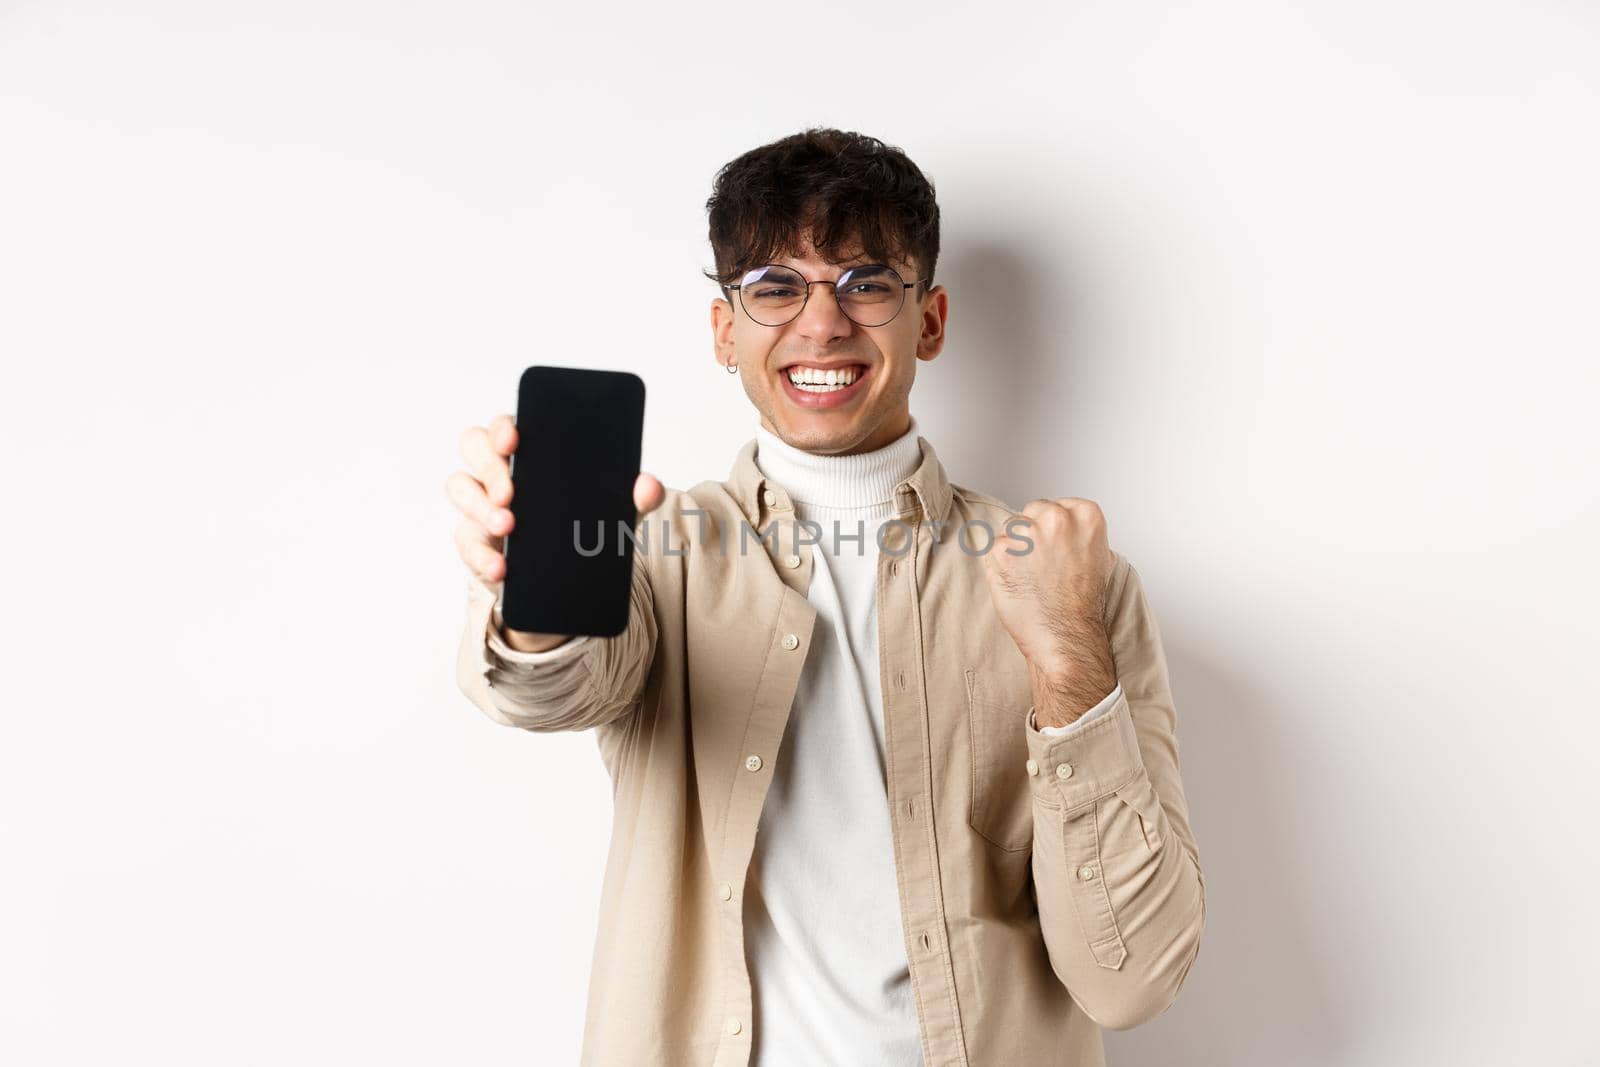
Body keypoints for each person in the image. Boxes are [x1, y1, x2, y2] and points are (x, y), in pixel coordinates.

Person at [445, 127, 1205, 1066]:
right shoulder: (651, 551)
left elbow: (1131, 979)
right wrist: (535, 592)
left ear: (928, 320)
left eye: (866, 283)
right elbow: (549, 689)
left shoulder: (1073, 580)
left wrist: (1067, 659)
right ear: (727, 331)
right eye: (774, 287)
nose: (821, 324)